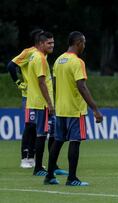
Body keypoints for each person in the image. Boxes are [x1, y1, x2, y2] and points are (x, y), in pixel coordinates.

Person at [44, 31, 103, 186]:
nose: (84, 46)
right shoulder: (77, 62)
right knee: (75, 141)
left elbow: (55, 84)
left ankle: (49, 175)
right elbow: (82, 86)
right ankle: (72, 178)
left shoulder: (58, 60)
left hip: (61, 108)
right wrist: (95, 109)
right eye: (83, 43)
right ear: (78, 43)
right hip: (75, 109)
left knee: (58, 141)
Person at [7, 29, 43, 169]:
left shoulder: (41, 55)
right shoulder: (29, 52)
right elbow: (11, 66)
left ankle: (33, 157)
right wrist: (18, 83)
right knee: (30, 125)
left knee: (37, 128)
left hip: (40, 97)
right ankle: (24, 157)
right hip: (28, 96)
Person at [26, 31, 58, 176]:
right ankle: (38, 167)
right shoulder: (40, 59)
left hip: (37, 101)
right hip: (42, 103)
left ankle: (49, 165)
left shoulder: (34, 56)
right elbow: (42, 82)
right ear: (41, 43)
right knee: (41, 134)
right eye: (49, 43)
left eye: (53, 42)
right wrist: (50, 104)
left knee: (48, 133)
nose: (52, 45)